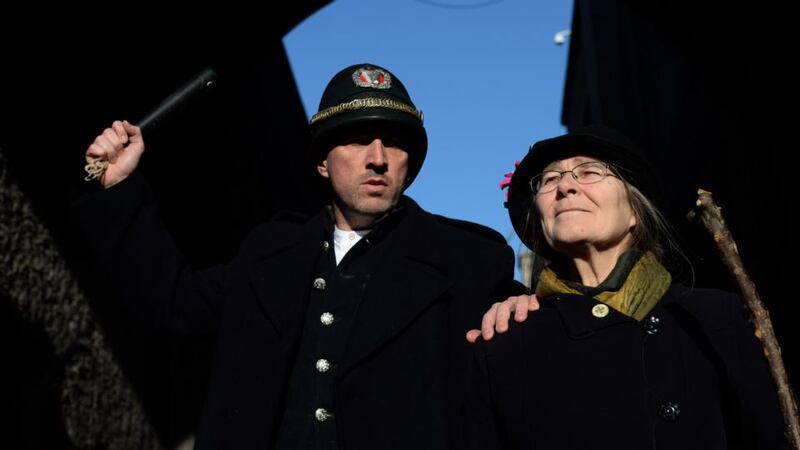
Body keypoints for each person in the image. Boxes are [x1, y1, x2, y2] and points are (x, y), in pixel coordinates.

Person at [72, 63, 523, 449]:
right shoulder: (269, 254)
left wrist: (521, 304)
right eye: (357, 139)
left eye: (396, 143)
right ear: (323, 162)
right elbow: (174, 304)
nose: (378, 158)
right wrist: (119, 188)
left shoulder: (468, 262)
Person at [465, 125, 789, 449]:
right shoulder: (506, 345)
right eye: (549, 180)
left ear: (635, 210)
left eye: (589, 171)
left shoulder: (716, 318)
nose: (565, 186)